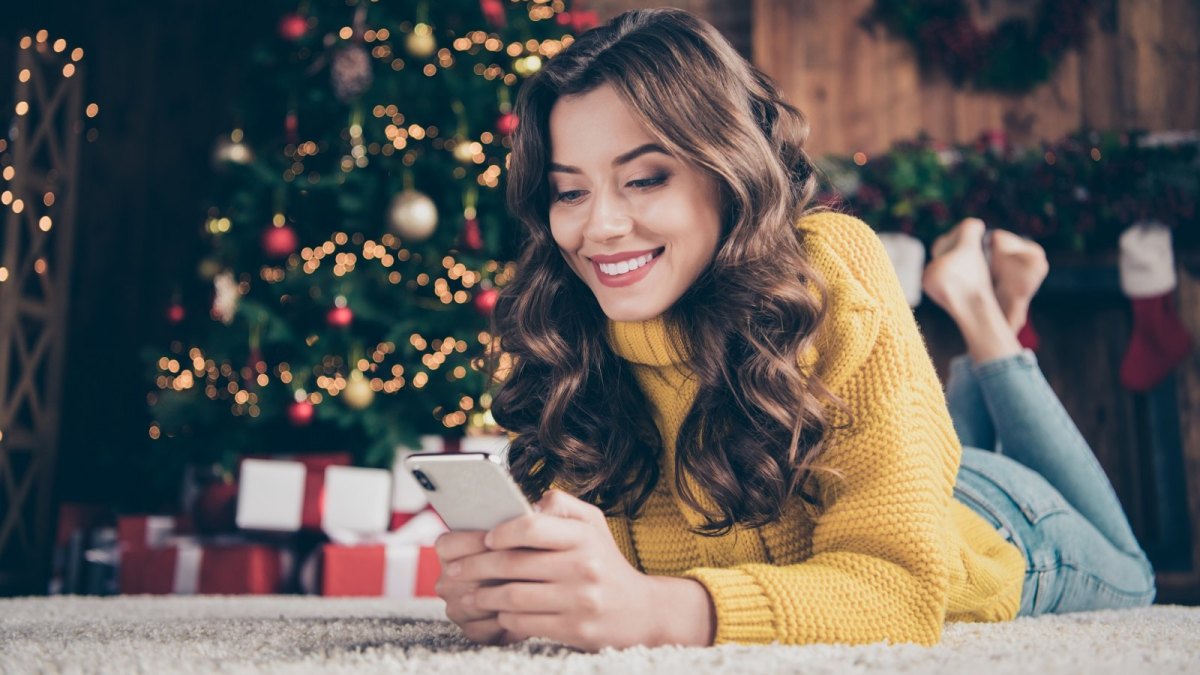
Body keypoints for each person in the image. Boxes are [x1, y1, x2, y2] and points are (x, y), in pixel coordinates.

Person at [432, 8, 1156, 651]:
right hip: (891, 470)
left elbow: (901, 583)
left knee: (1135, 576)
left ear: (728, 171)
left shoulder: (829, 261)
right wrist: (520, 589)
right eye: (569, 191)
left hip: (997, 523)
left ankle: (989, 324)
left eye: (646, 177)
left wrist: (657, 610)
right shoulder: (572, 318)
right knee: (924, 438)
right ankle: (991, 317)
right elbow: (598, 582)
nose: (601, 227)